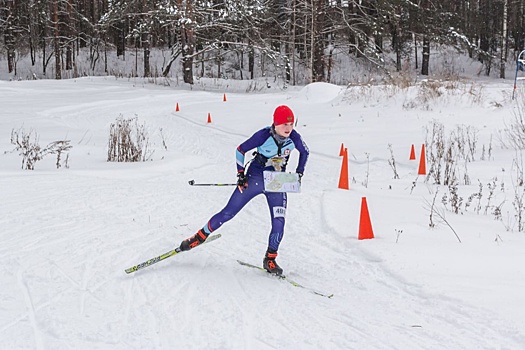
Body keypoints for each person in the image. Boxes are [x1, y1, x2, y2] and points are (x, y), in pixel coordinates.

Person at [179, 105, 309, 275]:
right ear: (275, 124)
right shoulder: (263, 135)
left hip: (277, 183)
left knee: (279, 223)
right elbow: (240, 150)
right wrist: (241, 174)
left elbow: (305, 152)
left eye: (291, 124)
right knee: (228, 213)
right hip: (254, 179)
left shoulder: (295, 138)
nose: (288, 128)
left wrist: (299, 173)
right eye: (284, 124)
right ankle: (199, 237)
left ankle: (270, 259)